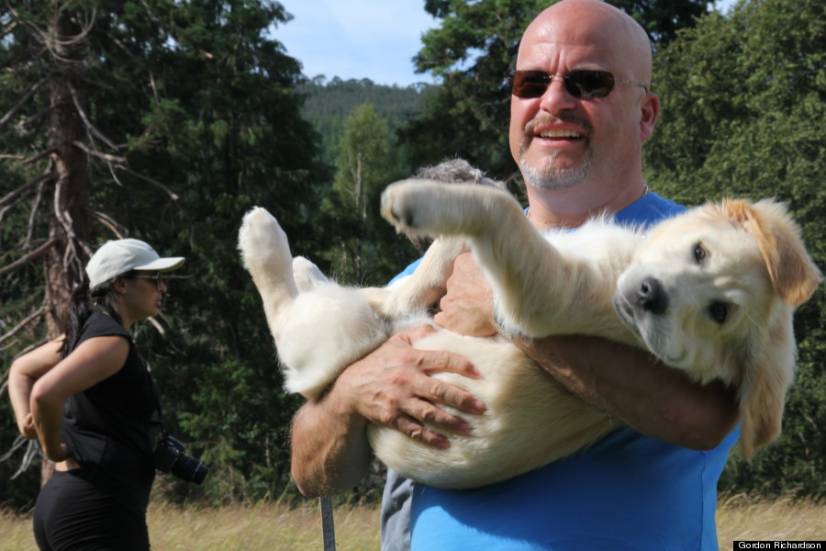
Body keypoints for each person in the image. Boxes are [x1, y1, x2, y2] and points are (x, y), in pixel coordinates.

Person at [291, 0, 740, 549]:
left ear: (646, 114)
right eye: (530, 83)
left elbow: (701, 421)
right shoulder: (442, 268)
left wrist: (508, 314)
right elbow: (311, 472)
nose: (553, 101)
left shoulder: (709, 256)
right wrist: (349, 396)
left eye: (588, 82)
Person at [8, 238, 185, 551]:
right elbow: (45, 394)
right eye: (154, 279)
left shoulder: (87, 335)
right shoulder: (110, 342)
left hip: (69, 502)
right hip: (97, 509)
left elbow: (22, 369)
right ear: (119, 284)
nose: (164, 288)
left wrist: (26, 424)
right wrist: (52, 448)